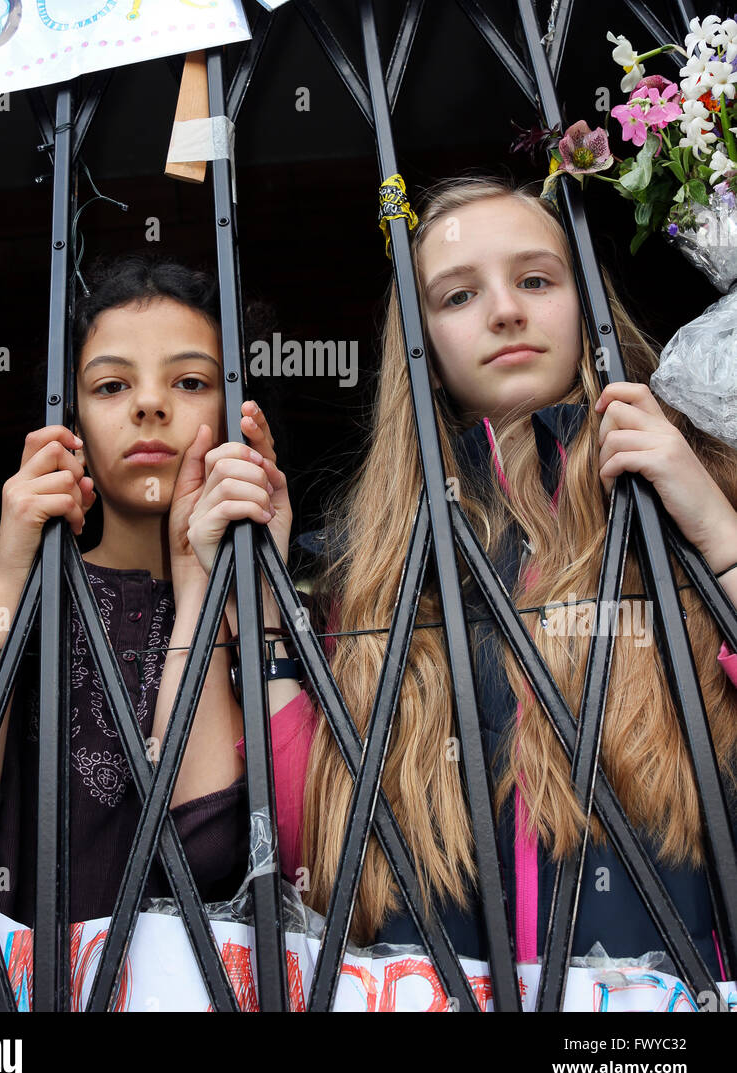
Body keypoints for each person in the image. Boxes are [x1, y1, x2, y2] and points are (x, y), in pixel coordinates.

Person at [259, 173, 737, 996]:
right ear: (423, 353)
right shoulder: (370, 569)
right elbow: (318, 846)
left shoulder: (704, 485)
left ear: (585, 311)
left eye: (536, 280)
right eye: (457, 296)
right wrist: (257, 597)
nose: (506, 312)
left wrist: (717, 537)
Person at [0, 252, 293, 1010]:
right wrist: (11, 577)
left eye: (190, 382)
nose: (150, 407)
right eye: (111, 385)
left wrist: (201, 587)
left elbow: (206, 856)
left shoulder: (264, 610)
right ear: (71, 423)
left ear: (237, 415)